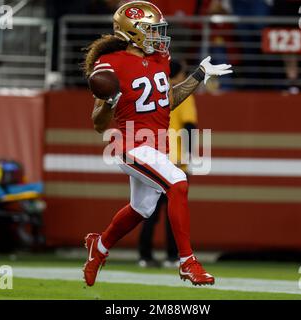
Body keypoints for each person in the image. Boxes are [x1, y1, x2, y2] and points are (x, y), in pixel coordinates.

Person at [82, 0, 232, 287]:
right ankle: (188, 261)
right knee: (178, 181)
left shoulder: (159, 58)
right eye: (152, 30)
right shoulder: (110, 64)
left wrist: (198, 76)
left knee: (142, 208)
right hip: (130, 144)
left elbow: (167, 101)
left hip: (156, 145)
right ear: (133, 32)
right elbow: (98, 123)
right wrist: (108, 104)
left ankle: (99, 246)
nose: (159, 36)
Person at [137, 59, 198, 269]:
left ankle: (144, 256)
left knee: (149, 212)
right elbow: (189, 127)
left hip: (153, 159)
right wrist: (189, 156)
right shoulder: (183, 95)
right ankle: (174, 257)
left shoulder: (154, 93)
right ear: (179, 76)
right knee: (175, 214)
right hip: (175, 163)